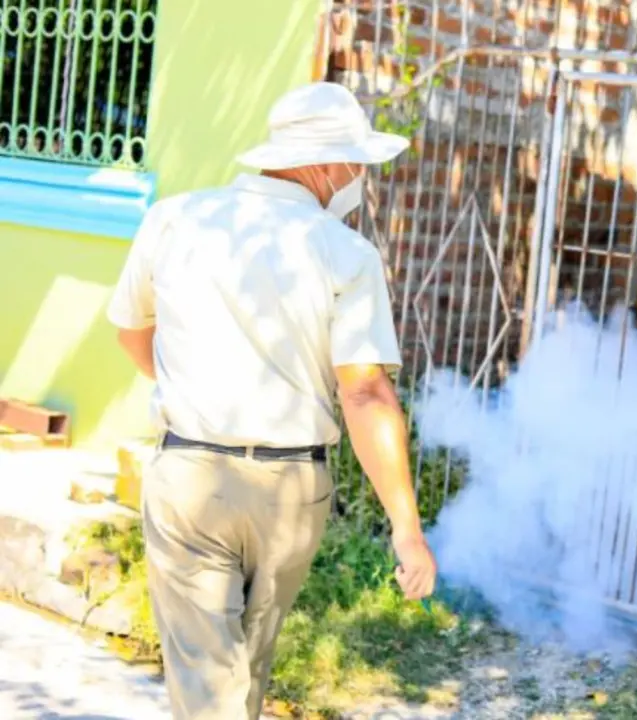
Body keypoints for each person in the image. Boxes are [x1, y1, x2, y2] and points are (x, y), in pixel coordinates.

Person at [106, 82, 437, 720]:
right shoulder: (345, 253)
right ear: (323, 164)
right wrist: (407, 530)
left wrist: (190, 385)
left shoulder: (174, 219)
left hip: (192, 478)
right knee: (237, 680)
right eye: (356, 163)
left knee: (217, 683)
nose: (359, 177)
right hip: (291, 490)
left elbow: (131, 332)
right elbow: (365, 390)